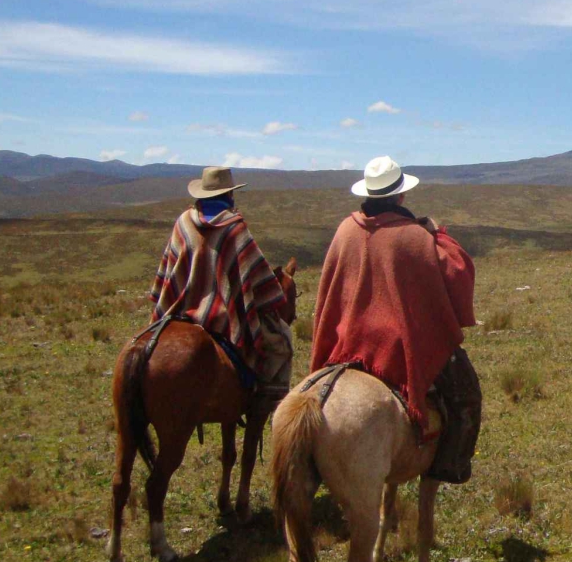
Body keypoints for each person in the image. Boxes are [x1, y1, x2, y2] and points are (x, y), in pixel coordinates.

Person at [310, 155, 478, 465]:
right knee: (465, 391)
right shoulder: (414, 235)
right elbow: (457, 271)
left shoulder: (345, 230)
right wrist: (436, 234)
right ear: (401, 195)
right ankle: (449, 464)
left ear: (368, 194)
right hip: (395, 345)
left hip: (345, 344)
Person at [149, 165, 293, 403]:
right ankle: (265, 398)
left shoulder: (183, 222)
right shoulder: (234, 227)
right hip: (224, 319)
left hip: (179, 311)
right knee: (281, 342)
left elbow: (169, 271)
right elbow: (256, 276)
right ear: (229, 194)